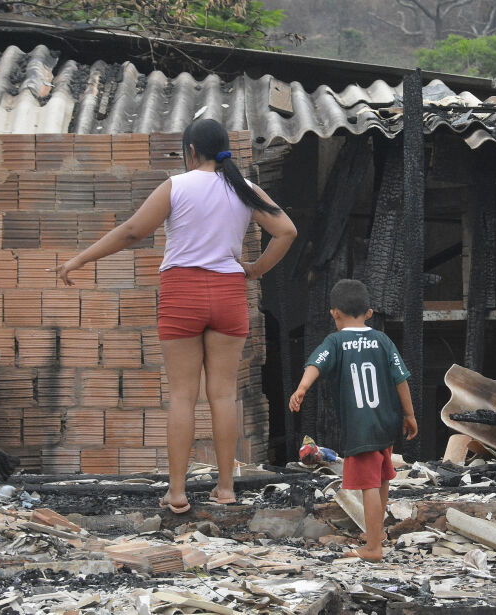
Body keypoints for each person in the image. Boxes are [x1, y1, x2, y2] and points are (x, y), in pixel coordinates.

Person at [52, 119, 297, 514]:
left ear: (190, 151)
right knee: (223, 395)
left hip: (182, 293)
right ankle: (226, 489)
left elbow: (132, 232)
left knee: (183, 396)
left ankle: (178, 493)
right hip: (229, 293)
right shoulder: (246, 190)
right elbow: (286, 231)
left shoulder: (176, 186)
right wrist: (255, 269)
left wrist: (80, 259)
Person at [290, 279, 418, 561]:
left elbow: (316, 363)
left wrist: (302, 388)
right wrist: (409, 414)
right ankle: (378, 533)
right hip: (386, 421)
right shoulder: (383, 340)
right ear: (369, 313)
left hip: (360, 428)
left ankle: (373, 548)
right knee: (383, 477)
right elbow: (401, 379)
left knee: (369, 485)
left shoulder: (335, 341)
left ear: (334, 313)